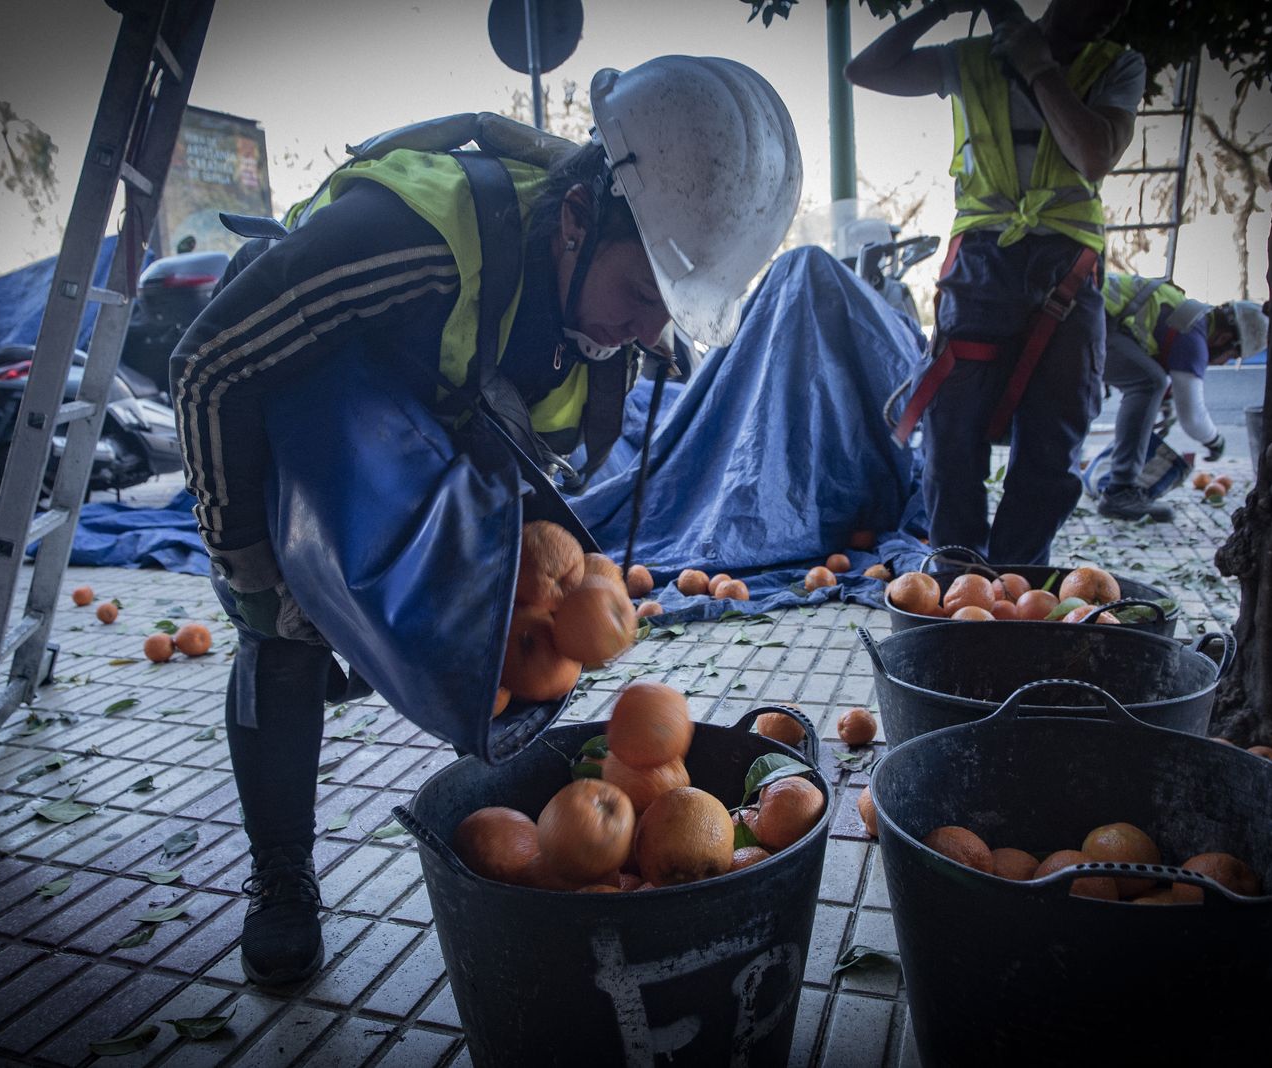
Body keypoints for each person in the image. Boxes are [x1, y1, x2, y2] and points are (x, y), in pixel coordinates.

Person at [169, 56, 801, 988]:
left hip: (429, 439)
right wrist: (246, 557)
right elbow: (212, 365)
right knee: (280, 637)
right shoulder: (408, 241)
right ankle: (282, 879)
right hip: (302, 421)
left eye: (670, 312)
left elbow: (520, 472)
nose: (646, 328)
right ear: (577, 221)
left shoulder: (613, 334)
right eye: (638, 295)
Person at [847, 0, 1142, 564]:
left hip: (1069, 268)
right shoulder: (973, 59)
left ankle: (1016, 587)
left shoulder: (1118, 66)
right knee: (953, 436)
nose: (1111, 10)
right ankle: (960, 580)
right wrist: (939, 8)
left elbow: (1093, 153)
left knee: (1052, 446)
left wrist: (1037, 67)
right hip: (983, 263)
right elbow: (865, 71)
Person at [1098, 273, 1269, 520]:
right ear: (1223, 339)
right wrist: (1215, 441)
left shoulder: (1186, 314)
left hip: (1089, 309)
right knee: (1149, 383)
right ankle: (1120, 490)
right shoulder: (1193, 339)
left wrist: (1163, 401)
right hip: (1088, 315)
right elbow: (1193, 417)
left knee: (1150, 382)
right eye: (1231, 356)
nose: (1224, 362)